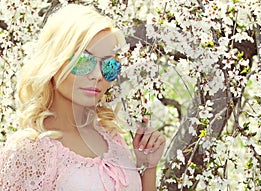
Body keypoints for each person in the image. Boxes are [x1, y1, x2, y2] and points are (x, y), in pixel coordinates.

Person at [0, 4, 165, 191]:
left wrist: (148, 167)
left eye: (109, 65)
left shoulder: (111, 137)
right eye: (84, 61)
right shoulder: (28, 149)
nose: (97, 75)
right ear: (54, 61)